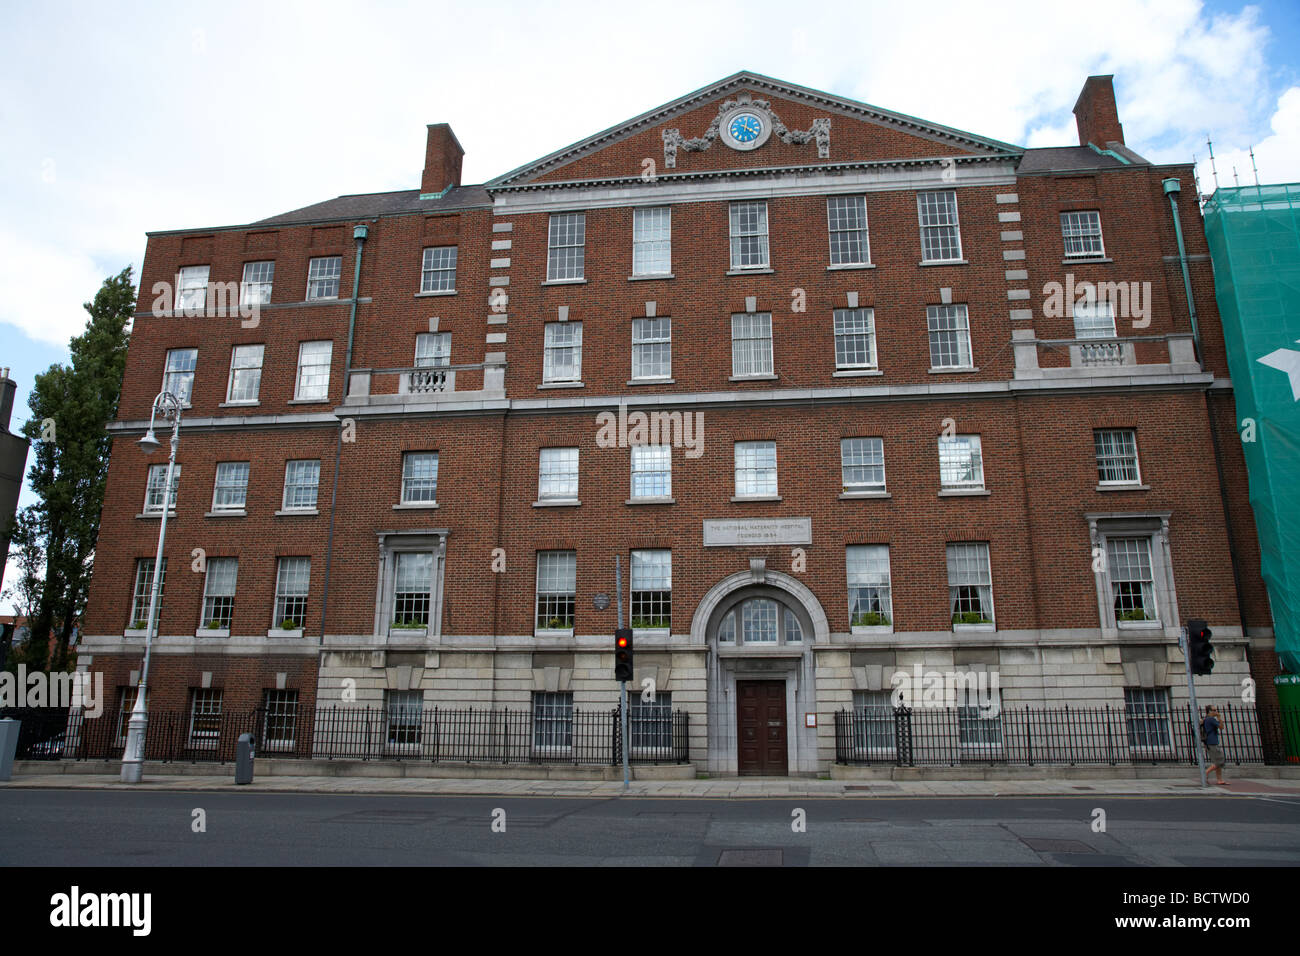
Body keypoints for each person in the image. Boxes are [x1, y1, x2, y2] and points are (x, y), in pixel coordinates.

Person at [1201, 705, 1227, 785]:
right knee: (1220, 761)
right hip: (1212, 742)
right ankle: (1205, 774)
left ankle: (1219, 780)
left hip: (1210, 742)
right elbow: (1221, 727)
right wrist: (1219, 717)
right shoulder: (1211, 719)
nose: (1216, 711)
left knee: (1217, 762)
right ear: (1209, 711)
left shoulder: (1205, 719)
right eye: (1214, 710)